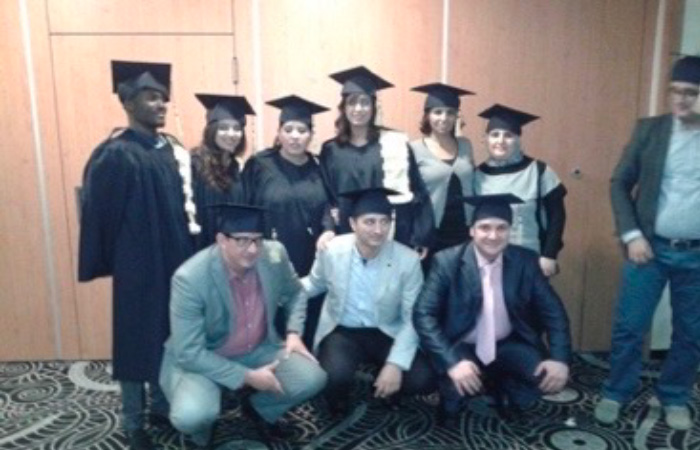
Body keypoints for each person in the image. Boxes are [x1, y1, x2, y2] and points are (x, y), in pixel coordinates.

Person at [78, 60, 197, 449]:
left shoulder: (169, 151)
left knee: (167, 335)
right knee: (135, 339)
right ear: (128, 103)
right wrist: (120, 260)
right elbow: (101, 215)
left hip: (173, 260)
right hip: (138, 266)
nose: (161, 104)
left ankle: (161, 406)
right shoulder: (117, 154)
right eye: (151, 98)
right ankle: (133, 422)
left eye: (163, 98)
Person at [159, 204, 327, 448]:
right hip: (206, 356)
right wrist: (247, 377)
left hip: (259, 348)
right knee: (191, 415)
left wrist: (293, 333)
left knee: (312, 378)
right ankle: (203, 427)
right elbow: (189, 352)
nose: (252, 249)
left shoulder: (274, 254)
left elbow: (296, 292)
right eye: (242, 241)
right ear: (221, 240)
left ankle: (260, 409)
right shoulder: (190, 278)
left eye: (257, 240)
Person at [594, 56, 700, 431]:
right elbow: (620, 183)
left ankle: (674, 395)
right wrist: (632, 234)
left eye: (691, 93)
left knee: (691, 332)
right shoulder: (650, 131)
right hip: (649, 249)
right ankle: (616, 391)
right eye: (675, 91)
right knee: (630, 325)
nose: (681, 99)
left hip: (697, 255)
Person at [413, 194, 571, 426]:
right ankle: (451, 398)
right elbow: (423, 314)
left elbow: (554, 313)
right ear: (472, 230)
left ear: (510, 231)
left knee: (546, 376)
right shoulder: (446, 261)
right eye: (485, 227)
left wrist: (560, 359)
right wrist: (452, 362)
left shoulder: (526, 261)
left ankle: (505, 388)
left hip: (508, 343)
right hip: (461, 343)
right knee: (454, 388)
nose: (493, 235)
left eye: (501, 228)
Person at [302, 187, 436, 417]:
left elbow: (412, 317)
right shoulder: (333, 250)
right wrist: (280, 290)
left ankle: (387, 384)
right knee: (332, 377)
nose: (378, 230)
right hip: (343, 330)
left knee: (422, 378)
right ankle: (339, 398)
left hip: (387, 330)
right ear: (353, 224)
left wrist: (395, 364)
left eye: (385, 222)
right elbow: (315, 284)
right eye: (370, 222)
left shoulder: (408, 260)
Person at [242, 95, 332, 347]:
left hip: (309, 255)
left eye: (302, 130)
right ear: (279, 132)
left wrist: (328, 229)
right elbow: (245, 207)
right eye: (288, 129)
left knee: (306, 313)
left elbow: (329, 205)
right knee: (269, 316)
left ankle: (304, 357)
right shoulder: (260, 164)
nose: (295, 136)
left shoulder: (319, 167)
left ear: (311, 135)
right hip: (268, 254)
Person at [319, 66, 434, 255]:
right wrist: (328, 228)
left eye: (365, 102)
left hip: (390, 235)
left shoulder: (394, 144)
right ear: (344, 107)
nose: (358, 109)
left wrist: (421, 236)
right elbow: (326, 197)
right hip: (347, 236)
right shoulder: (331, 150)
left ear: (373, 108)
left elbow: (418, 190)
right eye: (352, 102)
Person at [474, 104, 567, 277]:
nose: (500, 141)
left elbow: (557, 216)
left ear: (518, 140)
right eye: (495, 135)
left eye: (508, 135)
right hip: (486, 261)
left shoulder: (538, 171)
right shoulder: (477, 175)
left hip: (530, 258)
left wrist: (550, 254)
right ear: (485, 139)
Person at [409, 82, 476, 255]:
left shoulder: (465, 145)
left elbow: (473, 184)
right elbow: (411, 196)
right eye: (437, 112)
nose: (444, 118)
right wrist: (417, 236)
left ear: (456, 117)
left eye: (450, 113)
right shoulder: (414, 149)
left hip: (465, 230)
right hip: (431, 233)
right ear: (427, 115)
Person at [191, 94, 255, 249]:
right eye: (224, 128)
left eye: (237, 128)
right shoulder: (195, 165)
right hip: (203, 249)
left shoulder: (236, 168)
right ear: (211, 130)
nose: (231, 134)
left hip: (232, 252)